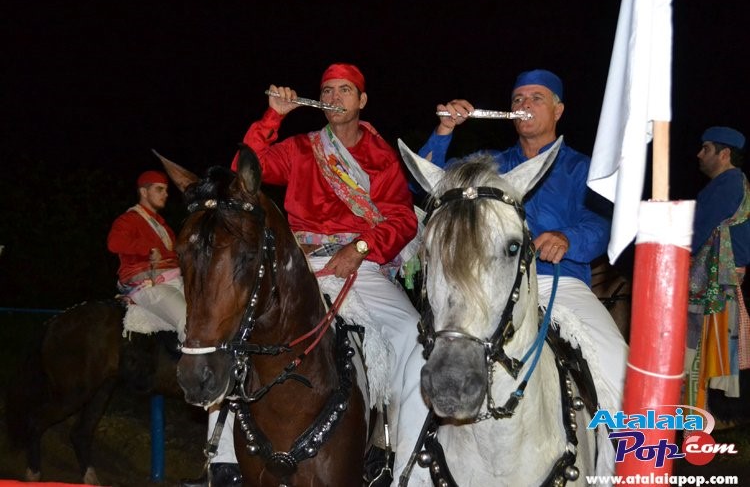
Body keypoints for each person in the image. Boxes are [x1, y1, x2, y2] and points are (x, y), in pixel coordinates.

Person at [232, 62, 429, 485]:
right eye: (327, 90)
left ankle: (406, 460)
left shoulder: (382, 157)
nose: (334, 97)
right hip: (298, 266)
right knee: (236, 330)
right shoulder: (301, 148)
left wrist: (360, 248)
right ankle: (226, 459)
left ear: (362, 100)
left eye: (344, 90)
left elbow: (402, 219)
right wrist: (273, 117)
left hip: (360, 265)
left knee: (417, 340)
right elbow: (245, 172)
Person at [417, 69, 629, 411]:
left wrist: (567, 237)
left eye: (536, 98)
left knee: (617, 364)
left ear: (558, 111)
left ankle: (636, 442)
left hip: (557, 282)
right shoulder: (489, 164)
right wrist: (445, 130)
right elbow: (426, 182)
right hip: (487, 285)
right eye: (518, 99)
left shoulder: (583, 168)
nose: (524, 104)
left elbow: (602, 222)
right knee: (427, 356)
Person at [107, 171, 241, 487]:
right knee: (191, 324)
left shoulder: (163, 224)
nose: (165, 194)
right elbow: (114, 243)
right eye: (159, 189)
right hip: (146, 285)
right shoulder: (129, 220)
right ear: (143, 191)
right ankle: (201, 373)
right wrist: (147, 249)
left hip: (170, 281)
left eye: (166, 190)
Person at [685, 126, 750, 412]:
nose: (699, 154)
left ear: (724, 154)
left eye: (706, 148)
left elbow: (694, 235)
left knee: (692, 359)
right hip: (716, 281)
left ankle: (694, 429)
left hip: (711, 284)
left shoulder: (728, 185)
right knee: (696, 360)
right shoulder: (732, 183)